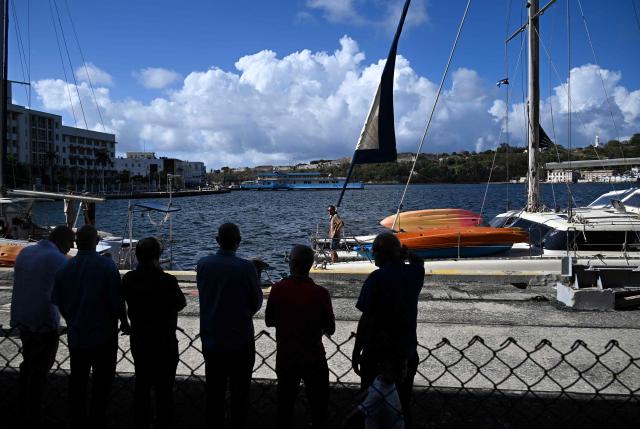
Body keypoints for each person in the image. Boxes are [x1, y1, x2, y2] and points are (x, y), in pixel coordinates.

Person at [53, 224, 129, 429]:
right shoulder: (107, 267)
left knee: (77, 380)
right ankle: (98, 417)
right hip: (104, 334)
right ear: (96, 242)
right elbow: (116, 300)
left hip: (78, 333)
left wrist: (71, 317)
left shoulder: (64, 269)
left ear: (77, 243)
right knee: (102, 382)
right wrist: (124, 321)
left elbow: (58, 301)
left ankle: (77, 417)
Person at [351, 232, 424, 429]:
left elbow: (366, 319)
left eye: (375, 251)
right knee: (403, 404)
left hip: (378, 353)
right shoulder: (415, 274)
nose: (373, 254)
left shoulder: (376, 279)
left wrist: (357, 349)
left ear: (382, 254)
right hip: (406, 351)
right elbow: (419, 261)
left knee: (370, 405)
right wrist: (405, 254)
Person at [197, 223, 263, 428]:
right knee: (240, 393)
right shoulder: (246, 267)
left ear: (217, 240)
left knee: (214, 392)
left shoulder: (203, 264)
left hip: (212, 338)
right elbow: (256, 302)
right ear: (239, 242)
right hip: (240, 339)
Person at [10, 225, 75, 428]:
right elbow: (68, 291)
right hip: (43, 320)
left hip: (22, 316)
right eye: (70, 243)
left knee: (29, 362)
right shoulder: (56, 259)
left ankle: (22, 405)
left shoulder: (26, 251)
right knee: (41, 368)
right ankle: (34, 412)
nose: (71, 247)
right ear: (62, 241)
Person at [265, 245, 335, 429]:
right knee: (319, 408)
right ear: (310, 265)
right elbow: (331, 328)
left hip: (286, 356)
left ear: (292, 264)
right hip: (314, 357)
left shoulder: (278, 289)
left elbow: (269, 320)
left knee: (284, 407)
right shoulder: (321, 293)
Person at [122, 237, 186, 429]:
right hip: (164, 340)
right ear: (158, 256)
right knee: (164, 390)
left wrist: (124, 322)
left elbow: (121, 300)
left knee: (142, 385)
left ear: (137, 256)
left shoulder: (129, 279)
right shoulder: (167, 280)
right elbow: (181, 304)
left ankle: (141, 422)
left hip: (140, 339)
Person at [345, 350, 406, 429]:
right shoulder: (378, 394)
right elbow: (356, 415)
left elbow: (368, 391)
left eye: (404, 367)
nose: (403, 372)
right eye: (396, 369)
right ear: (382, 368)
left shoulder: (381, 380)